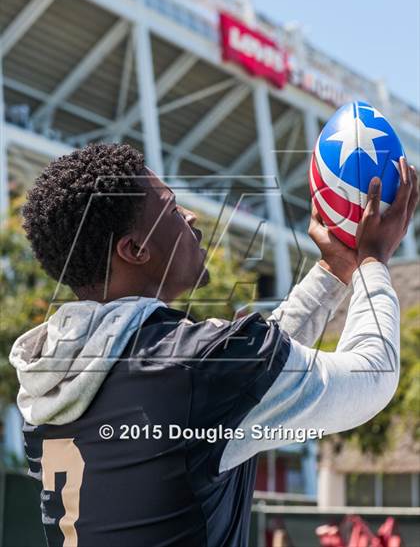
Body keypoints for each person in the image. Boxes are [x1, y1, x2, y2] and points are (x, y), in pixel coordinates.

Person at [9, 144, 418, 547]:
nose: (191, 217)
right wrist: (372, 263)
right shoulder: (195, 368)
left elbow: (247, 375)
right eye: (171, 209)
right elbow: (371, 375)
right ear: (135, 249)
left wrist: (335, 271)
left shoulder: (46, 388)